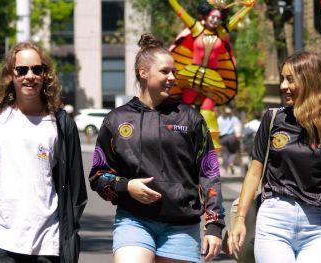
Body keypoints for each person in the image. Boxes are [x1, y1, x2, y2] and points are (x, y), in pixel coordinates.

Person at [89, 33, 225, 263]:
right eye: (165, 71)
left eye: (174, 72)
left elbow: (209, 173)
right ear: (143, 72)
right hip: (134, 220)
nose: (172, 77)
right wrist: (126, 186)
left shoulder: (190, 118)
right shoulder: (116, 120)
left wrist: (214, 225)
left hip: (182, 226)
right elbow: (98, 176)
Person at [0, 41, 87, 263]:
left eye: (36, 69)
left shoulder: (60, 123)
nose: (29, 76)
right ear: (10, 76)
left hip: (46, 242)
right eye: (21, 70)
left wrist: (69, 231)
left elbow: (76, 190)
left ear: (45, 74)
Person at [227, 51, 321, 262]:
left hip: (319, 223)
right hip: (274, 218)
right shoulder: (274, 119)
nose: (283, 86)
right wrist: (240, 219)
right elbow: (254, 174)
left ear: (311, 80)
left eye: (290, 79)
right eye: (282, 78)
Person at [217, 106, 243, 175]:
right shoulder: (234, 119)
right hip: (232, 137)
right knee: (233, 151)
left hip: (222, 138)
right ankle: (231, 163)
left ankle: (226, 169)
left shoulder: (219, 119)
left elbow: (216, 130)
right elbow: (238, 129)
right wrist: (239, 136)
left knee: (225, 153)